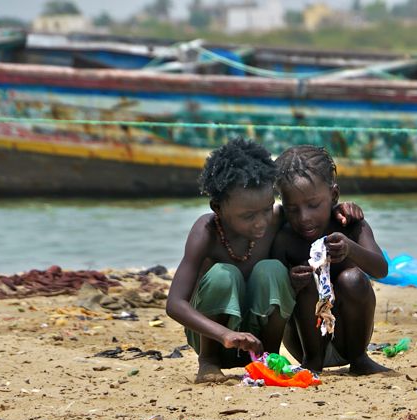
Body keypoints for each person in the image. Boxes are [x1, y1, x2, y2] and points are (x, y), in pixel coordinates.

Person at [166, 137, 363, 384]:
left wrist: (341, 209)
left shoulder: (277, 218)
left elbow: (312, 212)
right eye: (248, 216)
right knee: (223, 275)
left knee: (271, 270)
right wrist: (224, 334)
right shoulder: (206, 231)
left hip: (257, 338)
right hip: (215, 337)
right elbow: (174, 303)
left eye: (266, 209)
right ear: (218, 207)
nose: (261, 221)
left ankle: (268, 359)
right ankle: (208, 363)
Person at [272, 145, 390, 375]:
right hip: (304, 344)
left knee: (353, 279)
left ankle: (360, 359)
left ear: (334, 195)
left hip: (348, 340)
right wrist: (290, 281)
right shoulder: (285, 237)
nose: (304, 218)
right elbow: (275, 292)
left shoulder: (352, 225)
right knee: (306, 279)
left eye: (313, 205)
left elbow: (381, 269)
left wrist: (351, 250)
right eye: (292, 209)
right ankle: (313, 362)